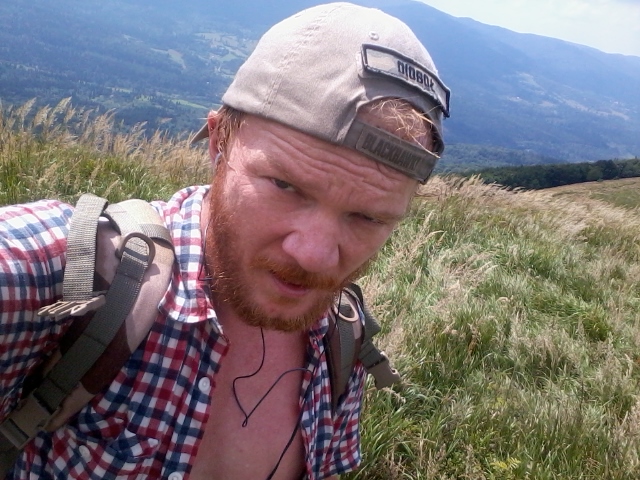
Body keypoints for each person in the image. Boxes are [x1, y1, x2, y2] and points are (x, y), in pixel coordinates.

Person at [0, 2, 450, 479]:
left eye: (368, 217)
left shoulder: (342, 339)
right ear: (219, 142)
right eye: (285, 186)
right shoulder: (54, 274)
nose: (315, 256)